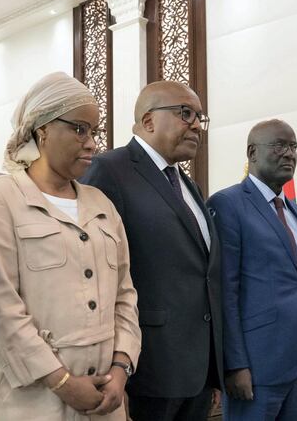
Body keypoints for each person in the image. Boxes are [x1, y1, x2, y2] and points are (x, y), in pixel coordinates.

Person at [0, 72, 141, 420]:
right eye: (80, 129)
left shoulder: (102, 204)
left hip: (105, 397)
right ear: (42, 128)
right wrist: (62, 381)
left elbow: (125, 296)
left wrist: (121, 369)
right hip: (31, 400)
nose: (92, 143)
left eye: (94, 131)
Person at [80, 80, 222, 421]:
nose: (196, 125)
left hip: (197, 371)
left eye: (200, 117)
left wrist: (216, 367)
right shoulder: (109, 169)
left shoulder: (189, 185)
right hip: (146, 370)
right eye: (185, 113)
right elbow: (96, 272)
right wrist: (118, 369)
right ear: (148, 121)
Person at [207, 119, 297, 421]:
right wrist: (235, 364)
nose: (289, 154)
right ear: (252, 153)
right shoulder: (228, 204)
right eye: (279, 145)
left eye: (293, 146)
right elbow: (225, 291)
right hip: (254, 368)